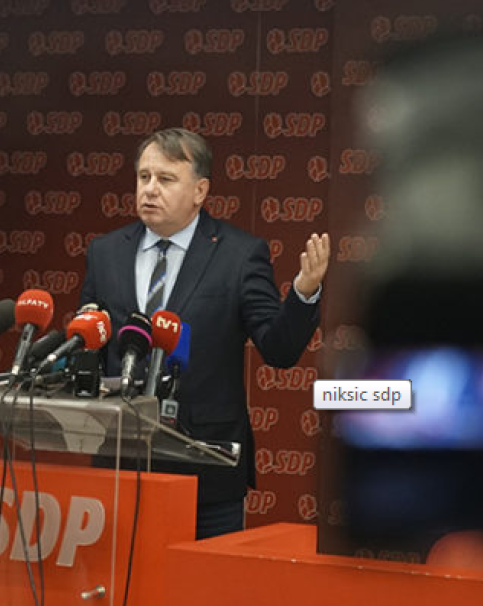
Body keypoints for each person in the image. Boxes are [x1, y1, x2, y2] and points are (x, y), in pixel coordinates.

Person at [79, 127, 330, 539]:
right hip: (119, 465)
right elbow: (91, 340)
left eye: (166, 179)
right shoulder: (105, 252)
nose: (150, 189)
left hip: (204, 471)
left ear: (200, 190)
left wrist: (303, 294)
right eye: (144, 177)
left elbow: (279, 349)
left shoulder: (238, 254)